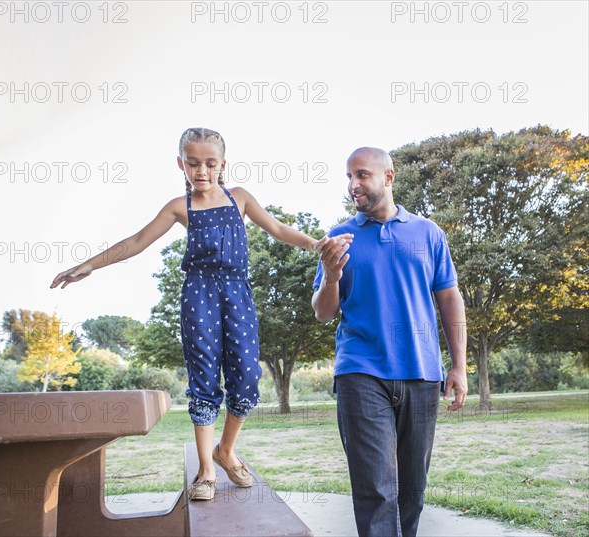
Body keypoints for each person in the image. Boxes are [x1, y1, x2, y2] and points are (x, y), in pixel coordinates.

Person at [51, 127, 352, 501]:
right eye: (194, 163)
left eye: (210, 164)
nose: (202, 171)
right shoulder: (181, 207)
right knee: (204, 375)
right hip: (199, 295)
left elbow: (276, 228)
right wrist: (90, 265)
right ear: (181, 163)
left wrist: (316, 244)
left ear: (223, 164)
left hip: (237, 293)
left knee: (246, 376)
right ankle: (206, 470)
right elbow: (136, 241)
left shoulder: (239, 198)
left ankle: (225, 451)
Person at [311, 147, 468, 537]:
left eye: (362, 175)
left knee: (412, 492)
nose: (353, 185)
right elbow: (322, 312)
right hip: (361, 373)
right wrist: (331, 276)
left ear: (389, 177)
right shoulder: (338, 238)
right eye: (349, 177)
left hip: (421, 374)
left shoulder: (428, 233)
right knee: (376, 492)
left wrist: (459, 366)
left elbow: (449, 298)